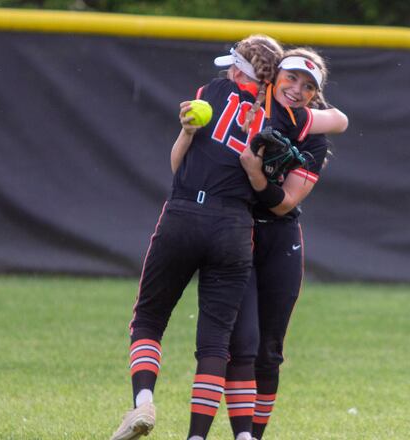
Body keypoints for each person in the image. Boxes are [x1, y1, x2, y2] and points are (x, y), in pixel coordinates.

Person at [110, 34, 286, 440]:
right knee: (214, 344)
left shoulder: (214, 91)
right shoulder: (278, 120)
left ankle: (143, 402)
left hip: (185, 213)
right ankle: (197, 436)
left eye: (233, 65)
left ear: (240, 71)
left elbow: (178, 166)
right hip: (235, 226)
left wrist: (188, 132)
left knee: (150, 318)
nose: (227, 70)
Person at [224, 48, 343, 440]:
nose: (297, 89)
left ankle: (253, 436)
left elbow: (285, 203)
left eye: (308, 86)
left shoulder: (312, 136)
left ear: (315, 95)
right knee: (241, 343)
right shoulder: (247, 106)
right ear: (274, 77)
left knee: (268, 350)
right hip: (235, 231)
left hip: (279, 238)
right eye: (291, 78)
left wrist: (259, 177)